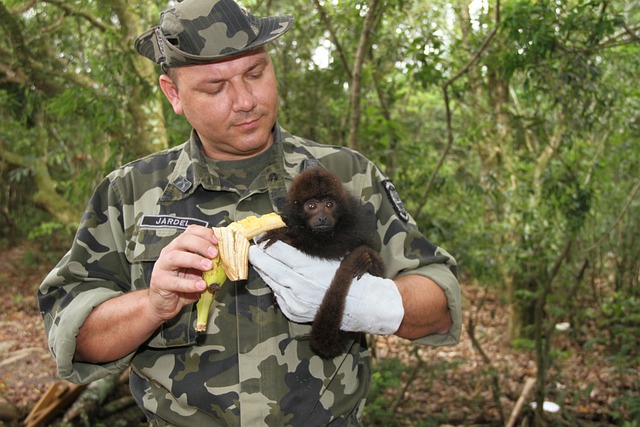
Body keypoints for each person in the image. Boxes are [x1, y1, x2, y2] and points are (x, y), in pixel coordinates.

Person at [38, 0, 462, 425]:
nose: (245, 101)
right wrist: (153, 304)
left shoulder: (346, 176)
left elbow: (439, 303)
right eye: (215, 87)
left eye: (255, 73)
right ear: (174, 94)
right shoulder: (129, 192)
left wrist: (364, 300)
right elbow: (75, 336)